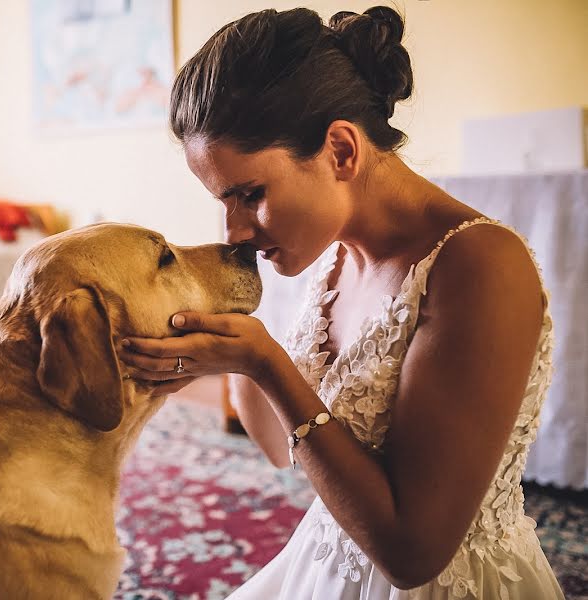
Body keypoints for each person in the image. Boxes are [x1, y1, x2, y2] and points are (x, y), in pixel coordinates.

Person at [118, 6, 564, 599]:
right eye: (224, 201)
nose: (232, 230)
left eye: (249, 194)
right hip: (328, 559)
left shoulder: (479, 267)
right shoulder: (334, 255)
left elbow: (414, 555)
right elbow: (278, 449)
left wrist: (266, 364)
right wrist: (233, 333)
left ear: (341, 152)